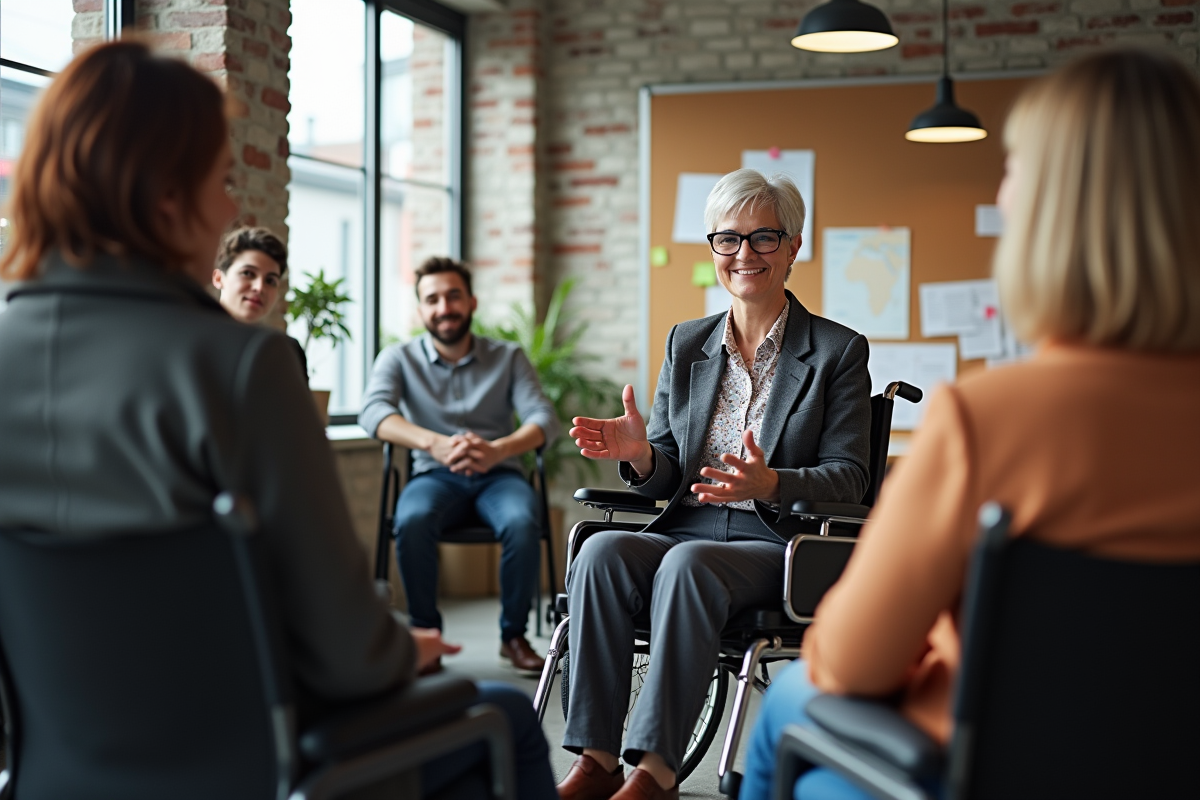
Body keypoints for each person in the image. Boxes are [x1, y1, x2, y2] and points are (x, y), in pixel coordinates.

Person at [0, 41, 557, 800]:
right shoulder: (239, 366)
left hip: (55, 770)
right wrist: (403, 648)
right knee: (507, 719)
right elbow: (346, 653)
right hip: (249, 765)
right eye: (220, 180)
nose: (230, 207)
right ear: (165, 196)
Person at [738, 47, 1200, 800]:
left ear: (1048, 213)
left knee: (790, 702)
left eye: (1013, 168)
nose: (1003, 194)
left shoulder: (987, 422)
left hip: (984, 772)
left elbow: (852, 662)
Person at [559, 169, 873, 800]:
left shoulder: (837, 352)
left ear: (793, 246)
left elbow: (851, 479)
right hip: (687, 526)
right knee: (599, 551)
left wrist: (771, 481)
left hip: (776, 541)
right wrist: (641, 456)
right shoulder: (687, 343)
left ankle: (656, 772)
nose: (744, 253)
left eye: (763, 237)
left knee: (688, 566)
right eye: (728, 238)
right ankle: (597, 760)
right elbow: (668, 471)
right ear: (713, 249)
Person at [359, 257, 559, 675]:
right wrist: (433, 443)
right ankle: (425, 635)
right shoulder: (398, 358)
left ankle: (514, 636)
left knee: (523, 522)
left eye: (453, 296)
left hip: (499, 475)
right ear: (420, 309)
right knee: (411, 520)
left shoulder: (508, 357)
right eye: (432, 299)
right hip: (433, 475)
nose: (444, 307)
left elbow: (543, 418)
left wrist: (498, 450)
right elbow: (373, 412)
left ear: (471, 302)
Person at [212, 225, 308, 376]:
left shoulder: (288, 351)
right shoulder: (190, 342)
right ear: (219, 278)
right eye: (248, 273)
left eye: (270, 281)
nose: (259, 287)